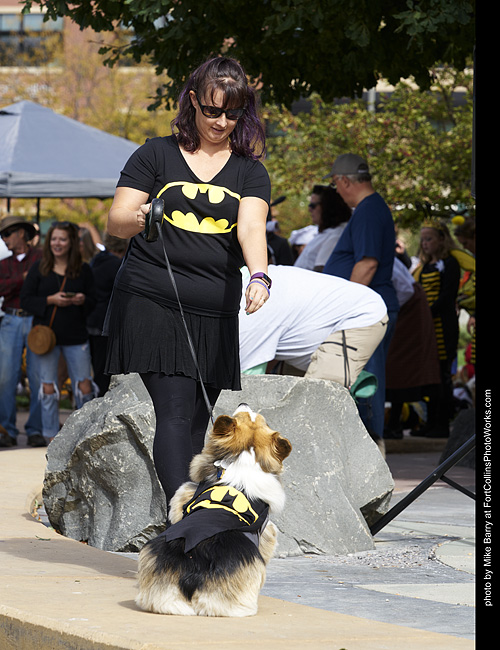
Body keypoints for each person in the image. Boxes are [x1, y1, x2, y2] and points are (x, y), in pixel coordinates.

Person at [103, 56, 271, 509]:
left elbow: (251, 228)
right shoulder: (155, 154)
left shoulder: (250, 171)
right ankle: (185, 518)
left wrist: (260, 275)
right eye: (212, 110)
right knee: (175, 412)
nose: (221, 122)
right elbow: (116, 220)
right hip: (152, 298)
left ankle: (187, 516)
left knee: (199, 420)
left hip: (214, 307)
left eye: (232, 114)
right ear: (193, 101)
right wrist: (138, 217)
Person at [322, 154, 399, 452]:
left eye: (335, 184)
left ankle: (370, 450)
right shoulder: (371, 208)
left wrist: (347, 306)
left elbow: (367, 263)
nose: (337, 192)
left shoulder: (368, 210)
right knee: (364, 378)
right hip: (371, 306)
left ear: (344, 181)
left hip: (366, 311)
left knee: (366, 380)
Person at [239, 265, 388, 387]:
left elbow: (248, 380)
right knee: (288, 398)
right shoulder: (244, 283)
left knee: (317, 400)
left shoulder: (250, 308)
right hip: (310, 325)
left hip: (358, 316)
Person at [20, 221, 98, 444]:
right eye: (54, 239)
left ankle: (85, 435)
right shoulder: (39, 267)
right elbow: (26, 300)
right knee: (47, 388)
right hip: (46, 338)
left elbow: (94, 301)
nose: (57, 243)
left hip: (76, 336)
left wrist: (82, 300)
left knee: (84, 386)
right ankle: (51, 436)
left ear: (71, 242)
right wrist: (50, 300)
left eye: (62, 239)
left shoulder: (83, 269)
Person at [412, 218, 460, 437]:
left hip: (443, 325)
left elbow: (447, 296)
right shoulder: (423, 267)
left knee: (442, 375)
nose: (425, 244)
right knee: (430, 375)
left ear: (442, 239)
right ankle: (430, 421)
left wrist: (428, 312)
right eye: (423, 240)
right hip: (427, 327)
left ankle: (442, 424)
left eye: (429, 239)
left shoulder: (450, 263)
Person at [384, 258, 441, 439]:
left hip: (409, 311)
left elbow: (405, 290)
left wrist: (389, 311)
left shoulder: (384, 260)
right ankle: (394, 422)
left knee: (399, 364)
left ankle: (397, 423)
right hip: (404, 308)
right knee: (397, 366)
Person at [0, 216, 44, 448]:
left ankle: (35, 430)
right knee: (5, 377)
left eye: (7, 234)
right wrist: (23, 279)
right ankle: (7, 430)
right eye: (2, 235)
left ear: (20, 233)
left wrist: (15, 283)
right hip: (11, 318)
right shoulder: (4, 263)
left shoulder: (41, 257)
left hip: (36, 321)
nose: (4, 239)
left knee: (38, 377)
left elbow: (43, 285)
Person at [87, 232, 129, 396]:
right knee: (104, 370)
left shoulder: (97, 261)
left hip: (92, 320)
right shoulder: (116, 266)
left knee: (97, 366)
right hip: (105, 323)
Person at [294, 185, 351, 272]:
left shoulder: (336, 235)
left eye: (313, 206)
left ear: (327, 207)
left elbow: (320, 269)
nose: (309, 210)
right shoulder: (327, 233)